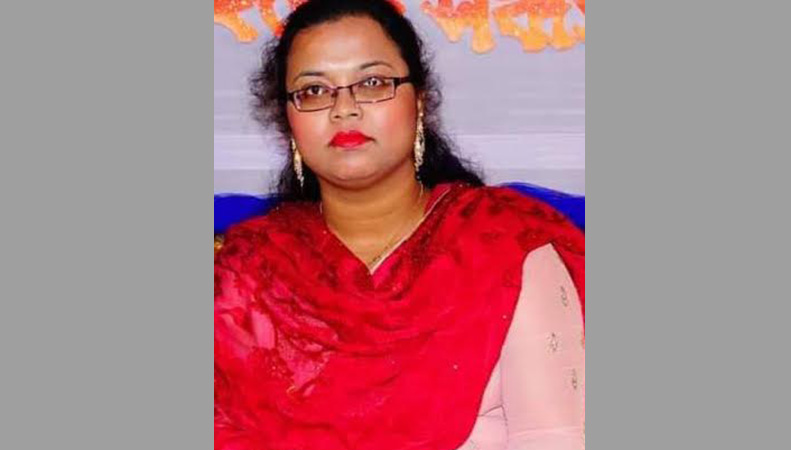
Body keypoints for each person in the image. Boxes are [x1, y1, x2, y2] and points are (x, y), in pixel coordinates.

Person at [214, 1, 585, 449]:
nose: (344, 109)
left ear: (419, 101)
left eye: (372, 83)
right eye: (313, 91)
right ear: (289, 121)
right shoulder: (249, 271)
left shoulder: (506, 244)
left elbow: (556, 438)